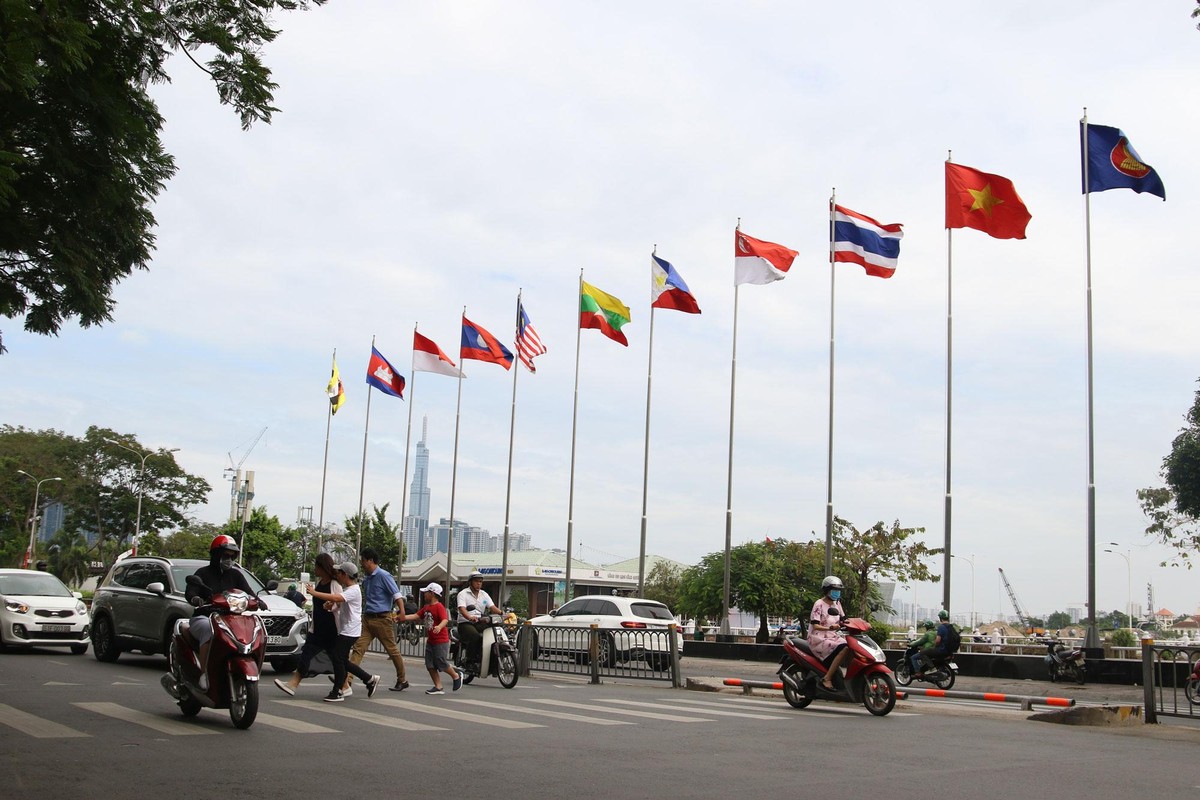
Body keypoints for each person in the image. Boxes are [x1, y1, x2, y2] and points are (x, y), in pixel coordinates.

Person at [184, 535, 258, 679]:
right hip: (205, 617)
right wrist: (195, 598)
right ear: (216, 554)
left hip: (230, 619)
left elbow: (249, 593)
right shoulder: (202, 573)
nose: (228, 560)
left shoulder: (236, 575)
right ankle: (204, 674)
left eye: (232, 556)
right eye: (225, 555)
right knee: (208, 629)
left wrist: (258, 601)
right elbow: (191, 591)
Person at [307, 561, 380, 703]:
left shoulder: (353, 590)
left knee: (337, 658)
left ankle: (338, 691)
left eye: (338, 573)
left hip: (350, 631)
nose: (336, 575)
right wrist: (331, 607)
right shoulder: (348, 590)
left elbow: (336, 598)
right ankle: (369, 679)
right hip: (347, 630)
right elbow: (338, 603)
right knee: (341, 660)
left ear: (345, 574)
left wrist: (314, 593)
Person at [341, 547, 409, 694]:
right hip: (367, 619)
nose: (362, 565)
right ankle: (347, 681)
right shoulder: (367, 579)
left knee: (392, 651)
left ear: (370, 561)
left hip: (382, 619)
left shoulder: (384, 576)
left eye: (363, 561)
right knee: (358, 649)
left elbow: (397, 595)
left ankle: (402, 680)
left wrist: (402, 612)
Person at [275, 553, 339, 697]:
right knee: (307, 655)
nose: (314, 569)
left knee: (338, 660)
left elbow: (339, 603)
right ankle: (293, 684)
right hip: (317, 629)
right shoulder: (320, 584)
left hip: (331, 629)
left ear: (323, 567)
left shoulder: (334, 584)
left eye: (316, 566)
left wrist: (325, 601)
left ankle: (361, 680)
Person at [395, 582, 462, 695]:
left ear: (432, 593)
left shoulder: (439, 607)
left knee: (441, 662)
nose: (424, 594)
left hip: (441, 640)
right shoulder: (426, 607)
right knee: (430, 664)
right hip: (431, 640)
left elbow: (445, 620)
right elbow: (416, 616)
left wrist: (439, 627)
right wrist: (402, 618)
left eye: (426, 592)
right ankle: (438, 686)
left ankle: (456, 675)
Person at [809, 575, 850, 691]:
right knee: (845, 648)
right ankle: (827, 678)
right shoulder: (819, 604)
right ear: (827, 591)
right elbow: (815, 625)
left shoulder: (836, 603)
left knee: (852, 646)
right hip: (818, 638)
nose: (837, 593)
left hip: (833, 637)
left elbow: (844, 619)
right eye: (834, 590)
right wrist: (830, 628)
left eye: (838, 591)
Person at [456, 571, 501, 668]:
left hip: (479, 621)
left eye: (480, 581)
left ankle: (490, 661)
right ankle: (470, 661)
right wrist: (469, 617)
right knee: (475, 636)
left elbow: (492, 607)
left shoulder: (484, 594)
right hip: (466, 623)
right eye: (476, 581)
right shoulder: (463, 594)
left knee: (493, 633)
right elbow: (462, 609)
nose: (479, 583)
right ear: (470, 582)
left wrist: (503, 614)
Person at [917, 610, 954, 675]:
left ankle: (932, 668)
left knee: (922, 653)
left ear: (940, 618)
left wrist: (935, 646)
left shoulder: (941, 627)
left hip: (942, 650)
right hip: (950, 651)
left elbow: (937, 641)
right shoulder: (951, 627)